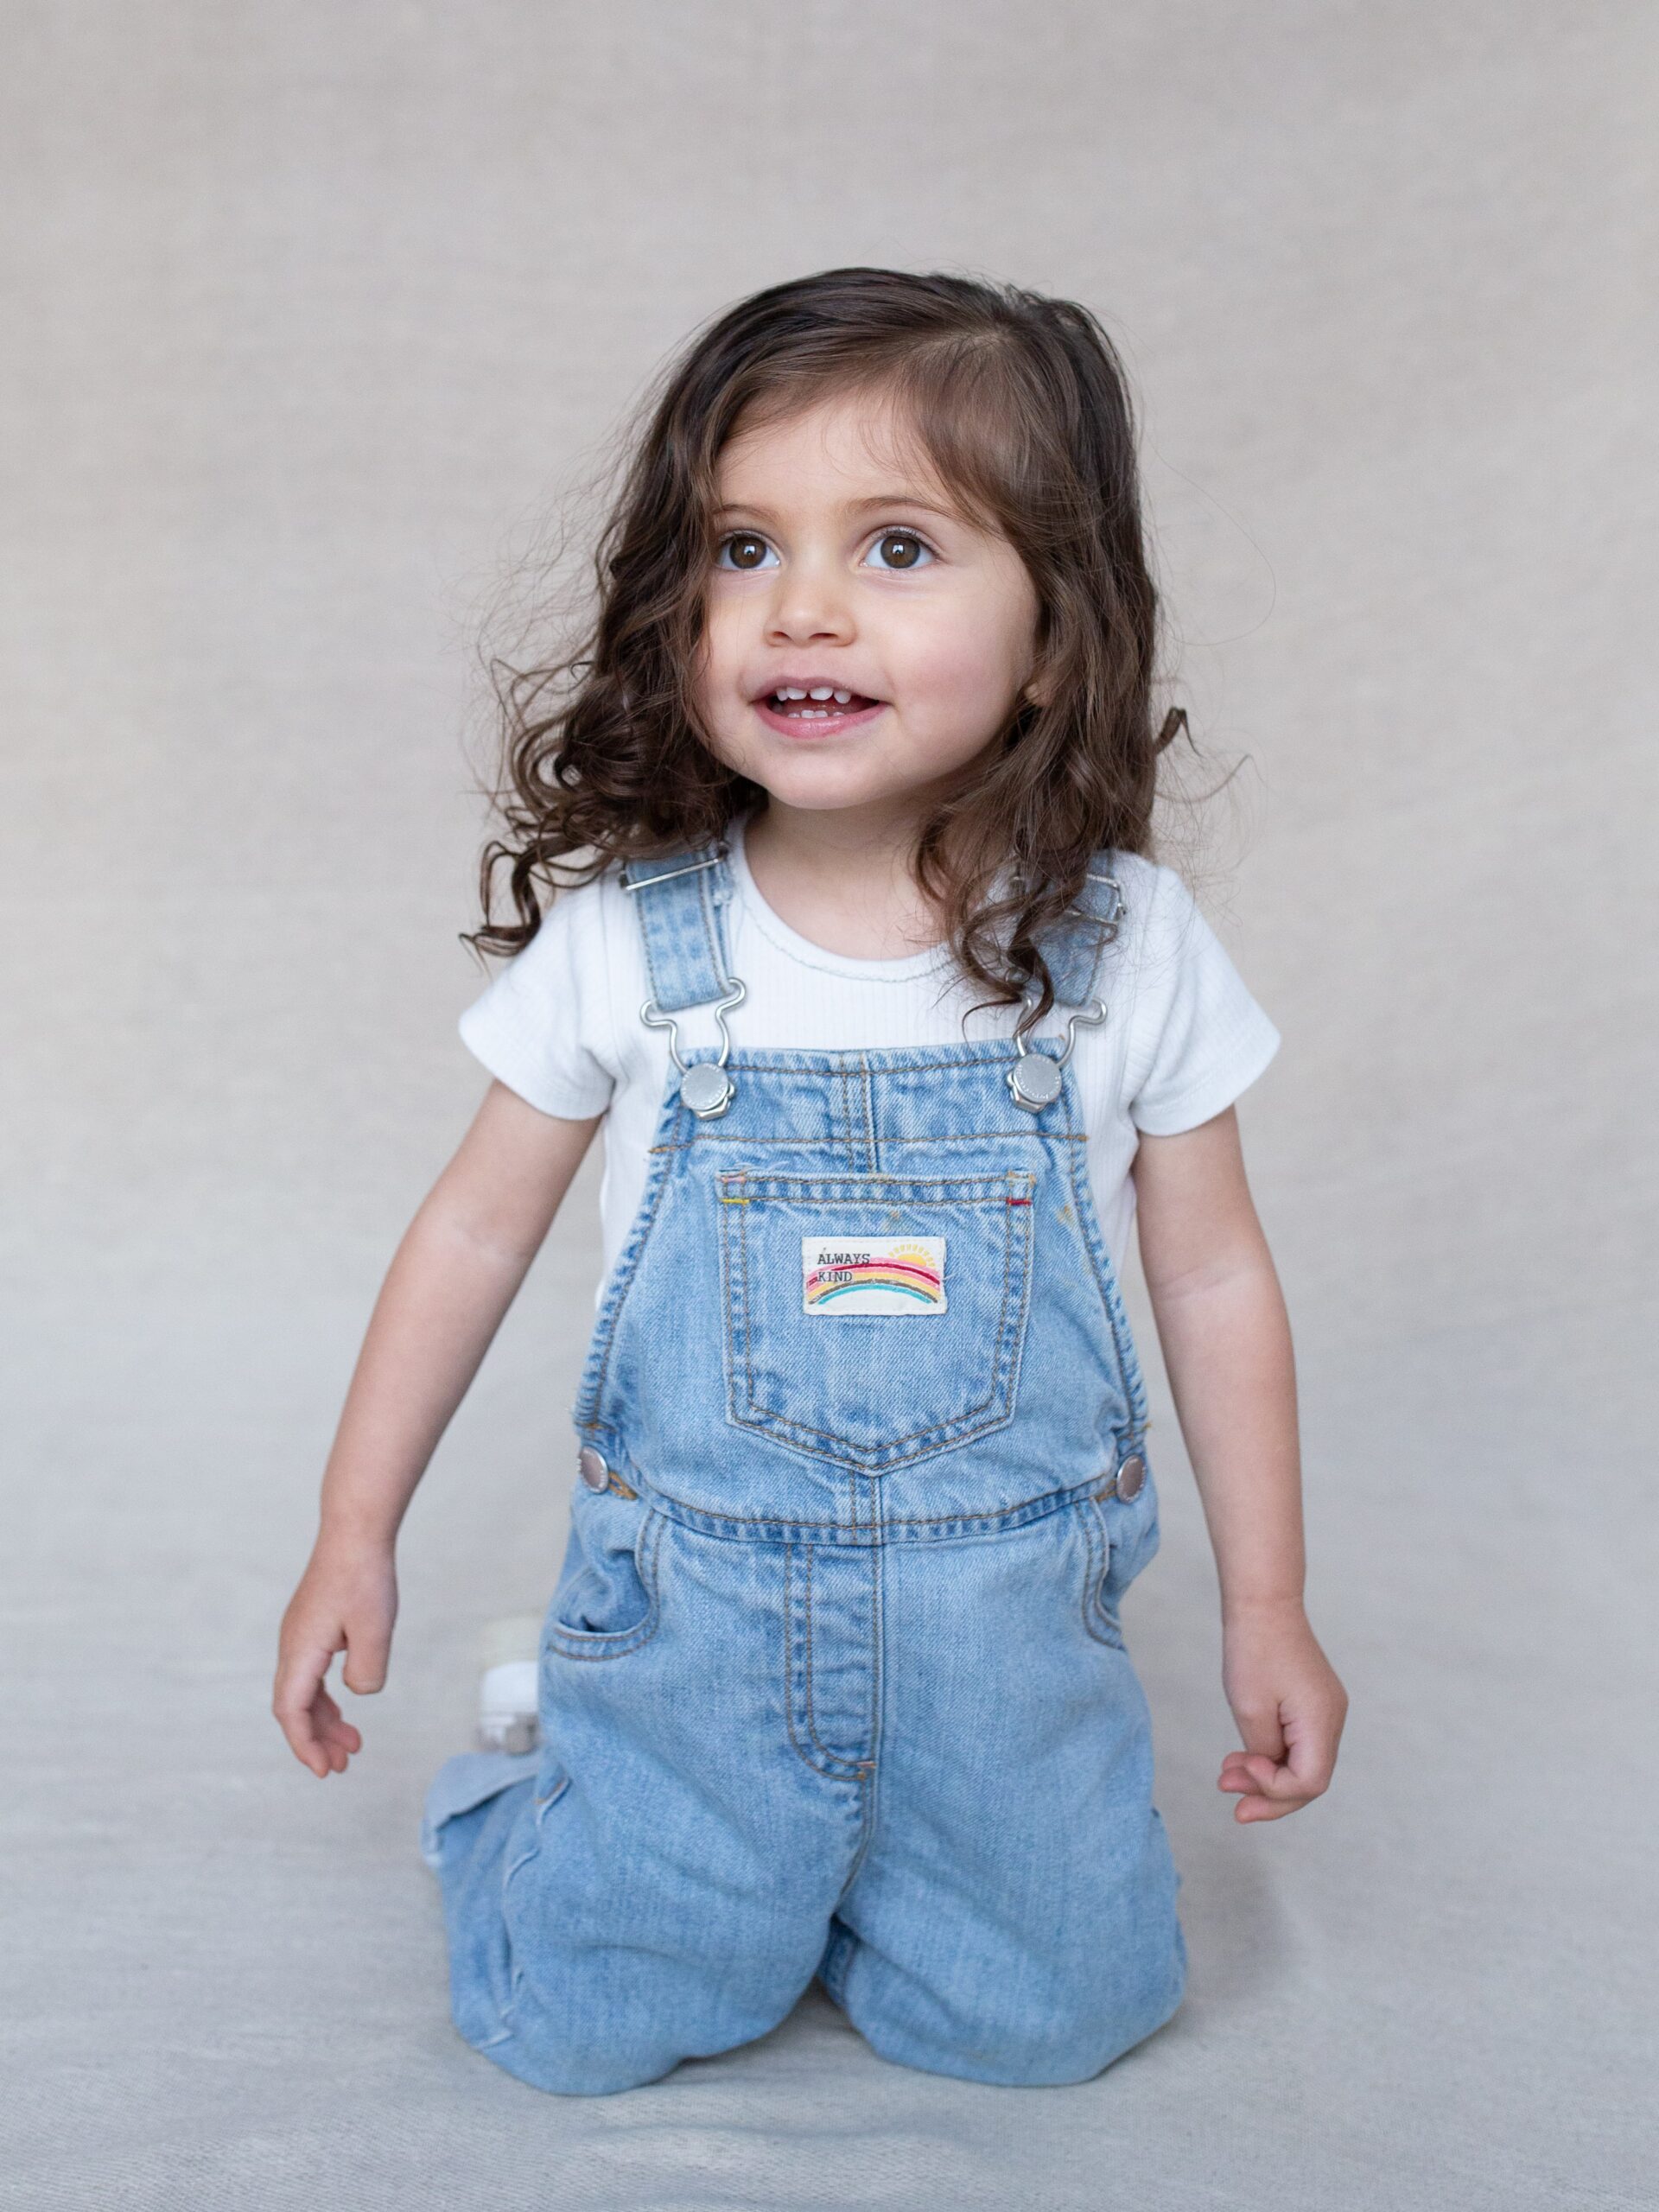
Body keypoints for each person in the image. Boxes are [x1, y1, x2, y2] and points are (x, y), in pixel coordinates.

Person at [273, 267, 1349, 2096]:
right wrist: (350, 1526)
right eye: (744, 547)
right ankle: (538, 1788)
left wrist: (1270, 1603)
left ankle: (875, 1872)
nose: (805, 607)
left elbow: (1214, 1276)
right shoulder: (635, 944)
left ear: (1058, 630)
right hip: (693, 1637)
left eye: (900, 548)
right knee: (578, 2031)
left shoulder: (1129, 947)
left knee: (1056, 2026)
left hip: (1006, 1657)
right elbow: (470, 1228)